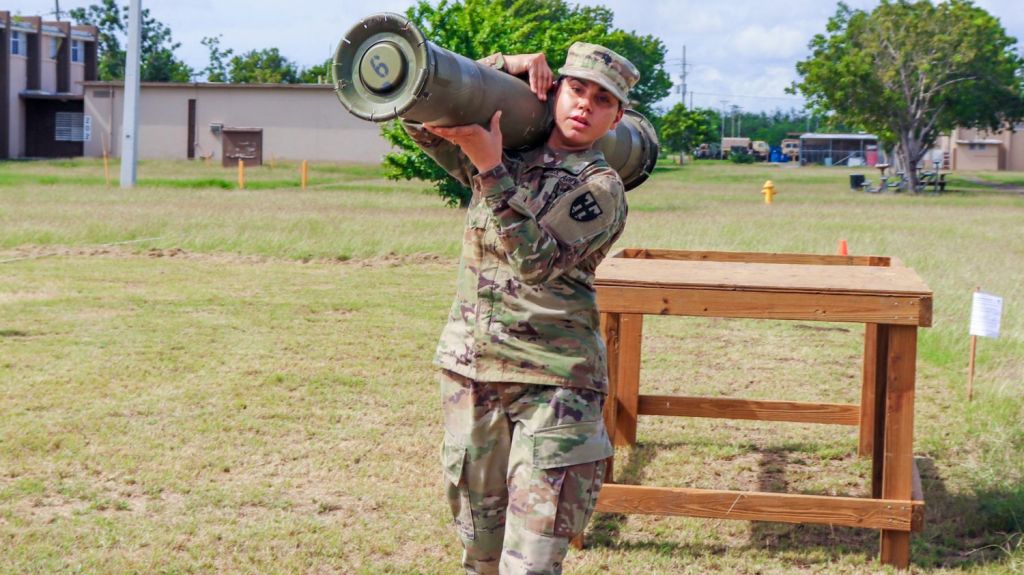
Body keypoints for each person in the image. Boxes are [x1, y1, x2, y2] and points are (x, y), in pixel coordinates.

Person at [404, 42, 640, 575]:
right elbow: (418, 118)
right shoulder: (508, 148)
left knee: (529, 565)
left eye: (602, 100)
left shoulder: (600, 187)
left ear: (615, 117)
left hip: (554, 387)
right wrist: (498, 67)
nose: (585, 104)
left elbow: (536, 261)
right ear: (555, 90)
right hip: (473, 372)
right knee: (480, 554)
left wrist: (489, 167)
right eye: (577, 89)